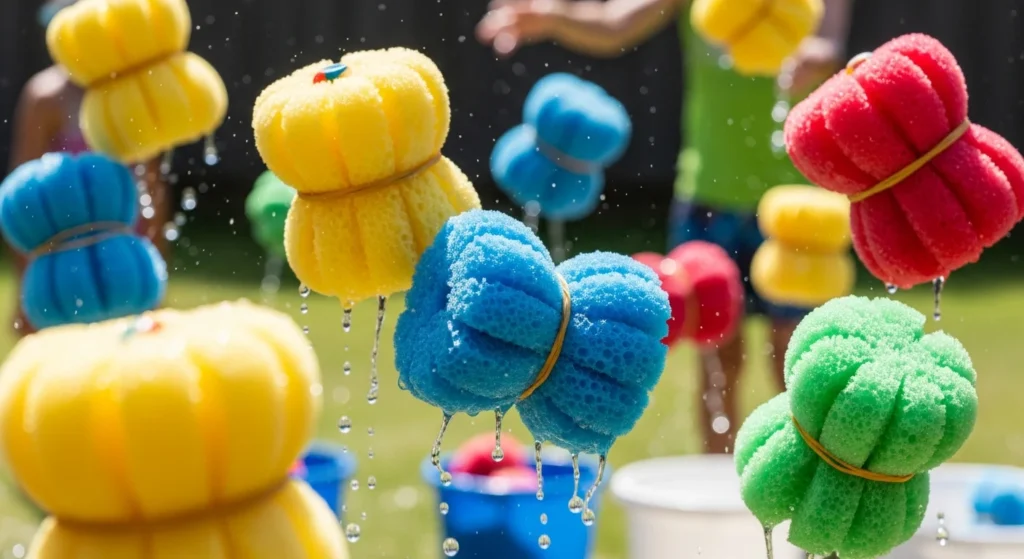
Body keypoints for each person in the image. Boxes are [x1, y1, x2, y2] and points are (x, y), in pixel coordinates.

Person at [478, 0, 854, 453]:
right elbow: (616, 23)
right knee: (719, 364)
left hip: (798, 203)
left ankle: (799, 496)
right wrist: (551, 15)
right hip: (710, 197)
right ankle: (720, 494)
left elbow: (829, 46)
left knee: (797, 365)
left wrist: (816, 57)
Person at [4, 0, 170, 336]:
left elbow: (151, 191)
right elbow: (24, 202)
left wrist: (153, 270)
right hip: (66, 263)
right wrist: (27, 287)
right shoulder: (46, 98)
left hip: (120, 259)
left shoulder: (130, 99)